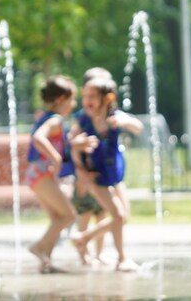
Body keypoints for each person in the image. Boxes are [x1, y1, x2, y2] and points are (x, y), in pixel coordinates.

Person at [70, 77, 143, 272]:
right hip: (95, 176)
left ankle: (84, 238)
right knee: (117, 215)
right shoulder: (84, 120)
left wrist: (125, 120)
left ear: (107, 98)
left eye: (92, 96)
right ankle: (121, 258)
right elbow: (71, 143)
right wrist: (78, 147)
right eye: (84, 96)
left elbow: (138, 127)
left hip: (114, 175)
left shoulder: (114, 117)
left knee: (122, 217)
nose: (87, 100)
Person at [25, 75, 83, 274]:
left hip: (35, 174)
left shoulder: (48, 118)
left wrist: (74, 144)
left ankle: (46, 262)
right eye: (72, 99)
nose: (74, 104)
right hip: (42, 173)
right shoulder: (56, 119)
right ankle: (38, 247)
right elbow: (38, 138)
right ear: (60, 100)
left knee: (57, 218)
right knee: (68, 215)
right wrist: (56, 159)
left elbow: (57, 141)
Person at [69, 67, 114, 266]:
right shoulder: (82, 118)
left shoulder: (107, 116)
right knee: (85, 214)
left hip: (101, 176)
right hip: (86, 176)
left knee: (102, 214)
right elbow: (72, 143)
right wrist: (80, 172)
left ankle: (100, 252)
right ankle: (83, 254)